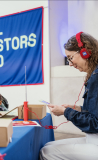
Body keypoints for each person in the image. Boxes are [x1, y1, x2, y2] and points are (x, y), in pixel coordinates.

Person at [40, 32, 98, 160]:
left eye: (70, 58)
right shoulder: (94, 75)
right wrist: (77, 109)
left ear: (85, 52)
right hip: (93, 138)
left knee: (46, 152)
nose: (70, 64)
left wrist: (66, 112)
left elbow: (95, 124)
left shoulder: (96, 77)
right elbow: (94, 113)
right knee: (48, 145)